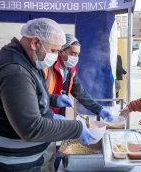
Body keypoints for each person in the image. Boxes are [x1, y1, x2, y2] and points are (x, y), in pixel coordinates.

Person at [0, 18, 96, 172]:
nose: (55, 56)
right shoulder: (15, 72)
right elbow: (31, 128)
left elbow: (28, 95)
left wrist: (54, 99)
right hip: (5, 164)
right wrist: (77, 127)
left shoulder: (25, 61)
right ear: (35, 43)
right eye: (53, 51)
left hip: (16, 161)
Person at [41, 33, 113, 171]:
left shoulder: (70, 70)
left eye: (78, 54)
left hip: (57, 119)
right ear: (61, 51)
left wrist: (99, 110)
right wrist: (52, 110)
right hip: (44, 118)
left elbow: (81, 94)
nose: (75, 58)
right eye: (72, 53)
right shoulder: (47, 68)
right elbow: (38, 98)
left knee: (50, 155)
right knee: (45, 155)